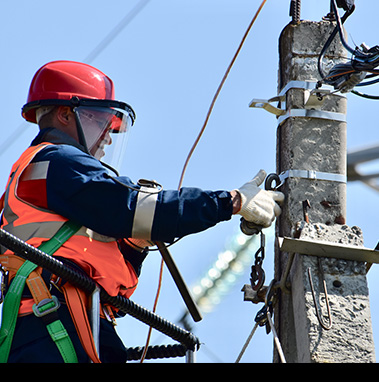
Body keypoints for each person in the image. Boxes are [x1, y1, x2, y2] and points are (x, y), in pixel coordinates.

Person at [0, 60, 284, 363]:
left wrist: (135, 246)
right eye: (100, 120)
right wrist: (231, 201)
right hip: (53, 325)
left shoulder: (56, 182)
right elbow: (132, 209)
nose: (108, 136)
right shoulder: (57, 160)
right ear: (66, 114)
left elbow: (114, 281)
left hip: (70, 318)